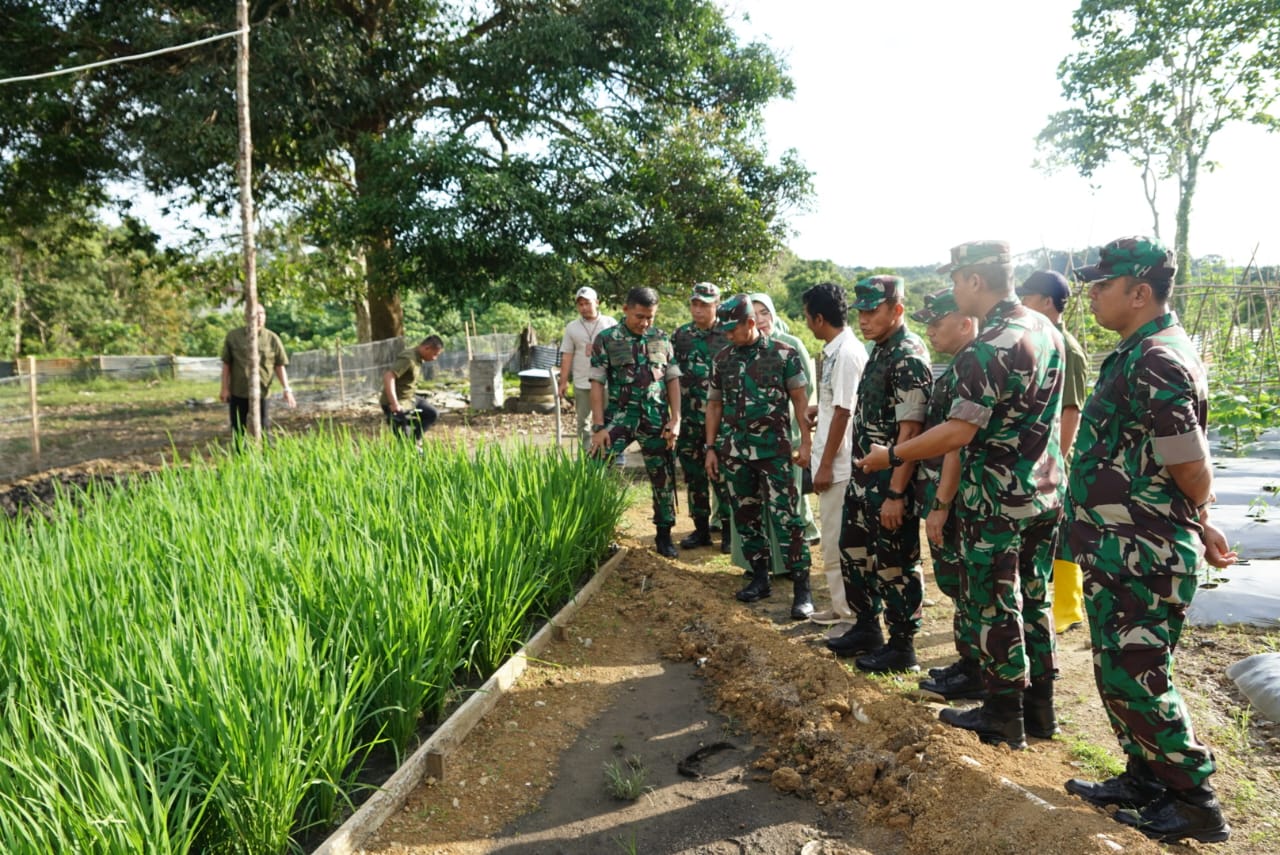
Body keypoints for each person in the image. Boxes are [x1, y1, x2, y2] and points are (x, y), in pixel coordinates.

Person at [856, 241, 1065, 749]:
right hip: (1044, 491)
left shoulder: (989, 346)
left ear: (975, 280)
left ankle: (1002, 715)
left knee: (995, 604)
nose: (952, 290)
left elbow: (957, 432)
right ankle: (1040, 712)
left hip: (996, 500)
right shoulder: (1045, 329)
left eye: (955, 281)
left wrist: (894, 456)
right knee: (1034, 601)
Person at [1061, 236, 1236, 844]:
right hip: (1124, 547)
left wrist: (1197, 511)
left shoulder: (1156, 359)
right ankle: (1145, 778)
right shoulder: (1138, 352)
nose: (1091, 294)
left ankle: (1195, 800)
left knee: (1138, 675)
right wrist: (1201, 517)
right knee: (1117, 669)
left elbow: (1190, 465)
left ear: (1139, 292)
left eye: (1102, 285)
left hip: (1144, 552)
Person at [826, 276, 932, 673]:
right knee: (854, 554)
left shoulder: (907, 355)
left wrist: (896, 493)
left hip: (889, 484)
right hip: (863, 478)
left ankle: (903, 646)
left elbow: (911, 431)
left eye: (874, 311)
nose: (865, 319)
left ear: (897, 309)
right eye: (862, 312)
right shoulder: (881, 350)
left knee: (895, 564)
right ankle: (867, 627)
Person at [705, 295, 814, 619]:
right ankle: (760, 577)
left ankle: (802, 589)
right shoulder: (723, 359)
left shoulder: (784, 354)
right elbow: (714, 405)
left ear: (750, 323)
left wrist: (806, 443)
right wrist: (711, 448)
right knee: (746, 517)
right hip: (736, 453)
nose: (727, 335)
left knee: (787, 520)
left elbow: (800, 401)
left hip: (774, 453)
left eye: (732, 329)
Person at [910, 288, 984, 700]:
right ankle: (968, 663)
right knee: (959, 588)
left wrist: (941, 504)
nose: (931, 331)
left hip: (959, 498)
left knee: (968, 587)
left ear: (965, 322)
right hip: (951, 494)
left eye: (937, 322)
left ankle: (975, 671)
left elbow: (956, 443)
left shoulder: (971, 368)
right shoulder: (957, 366)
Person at [1017, 270, 1090, 634]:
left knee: (1063, 533)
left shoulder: (1067, 347)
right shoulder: (1039, 340)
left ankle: (1067, 608)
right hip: (1040, 458)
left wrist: (1055, 463)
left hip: (1056, 460)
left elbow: (1071, 411)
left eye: (1027, 297)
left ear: (1046, 302)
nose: (1022, 304)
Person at [589, 287, 682, 558]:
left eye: (650, 317)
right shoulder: (607, 339)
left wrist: (675, 419)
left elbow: (672, 379)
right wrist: (597, 428)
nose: (644, 323)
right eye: (639, 316)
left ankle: (664, 535)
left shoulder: (661, 338)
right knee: (596, 465)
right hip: (619, 417)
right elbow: (596, 383)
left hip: (655, 419)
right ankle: (598, 527)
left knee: (661, 476)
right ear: (625, 309)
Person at [800, 282, 868, 625]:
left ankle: (848, 613)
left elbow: (845, 412)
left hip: (840, 466)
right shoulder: (836, 351)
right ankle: (843, 608)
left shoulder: (846, 354)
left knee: (835, 542)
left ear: (820, 318)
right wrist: (818, 407)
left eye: (808, 317)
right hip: (834, 461)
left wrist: (824, 466)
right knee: (833, 541)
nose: (807, 324)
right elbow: (836, 405)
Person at [671, 282, 732, 551]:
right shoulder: (681, 336)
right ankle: (700, 529)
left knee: (722, 476)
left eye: (705, 305)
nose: (698, 310)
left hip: (719, 420)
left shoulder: (728, 334)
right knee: (694, 476)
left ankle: (730, 530)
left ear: (717, 304)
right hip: (689, 420)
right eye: (695, 304)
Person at [219, 304, 296, 440]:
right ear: (246, 316)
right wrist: (224, 388)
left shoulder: (272, 338)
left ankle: (266, 457)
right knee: (238, 429)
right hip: (239, 392)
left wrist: (287, 389)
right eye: (256, 313)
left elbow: (279, 365)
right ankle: (240, 457)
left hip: (262, 392)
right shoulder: (234, 337)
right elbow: (227, 364)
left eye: (262, 313)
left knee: (264, 427)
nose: (259, 317)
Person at [558, 286, 618, 451]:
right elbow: (567, 355)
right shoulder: (572, 327)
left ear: (597, 303)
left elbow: (619, 352)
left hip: (606, 382)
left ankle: (608, 454)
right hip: (582, 381)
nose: (584, 307)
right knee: (583, 421)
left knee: (608, 420)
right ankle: (586, 456)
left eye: (587, 303)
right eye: (580, 304)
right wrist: (563, 382)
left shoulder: (610, 323)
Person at [381, 335, 444, 444]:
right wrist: (394, 403)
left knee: (432, 413)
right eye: (434, 354)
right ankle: (406, 442)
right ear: (427, 348)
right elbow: (389, 376)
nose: (434, 358)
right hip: (397, 402)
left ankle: (415, 440)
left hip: (409, 398)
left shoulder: (418, 358)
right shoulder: (408, 358)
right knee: (403, 440)